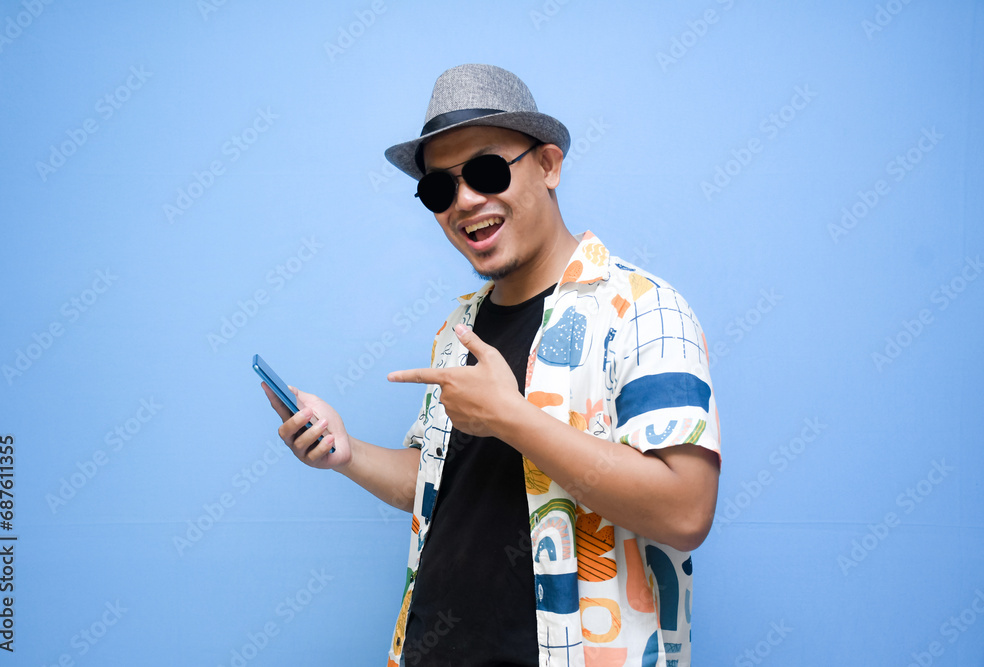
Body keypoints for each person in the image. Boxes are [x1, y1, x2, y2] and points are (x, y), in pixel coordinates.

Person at [263, 63, 721, 667]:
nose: (466, 200)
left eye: (485, 170)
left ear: (550, 165)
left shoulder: (643, 311)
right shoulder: (460, 331)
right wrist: (345, 453)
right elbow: (437, 484)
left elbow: (685, 512)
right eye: (439, 189)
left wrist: (512, 419)